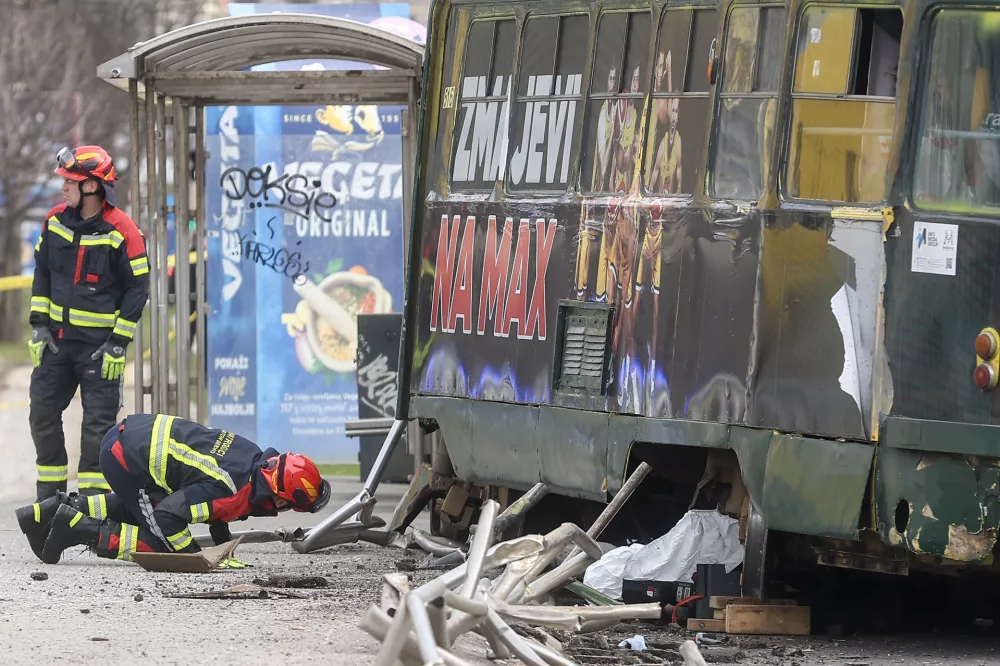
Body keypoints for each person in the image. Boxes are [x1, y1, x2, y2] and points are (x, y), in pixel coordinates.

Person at [15, 413, 331, 565]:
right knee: (160, 541)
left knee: (138, 509)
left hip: (130, 438)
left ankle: (45, 511)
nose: (283, 511)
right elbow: (171, 515)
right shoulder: (236, 492)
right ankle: (75, 528)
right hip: (127, 458)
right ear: (278, 495)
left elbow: (214, 503)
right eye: (289, 505)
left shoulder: (252, 458)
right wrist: (196, 557)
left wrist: (223, 546)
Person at [28, 145, 149, 501]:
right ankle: (49, 499)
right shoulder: (54, 221)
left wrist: (118, 342)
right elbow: (41, 274)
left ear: (93, 187)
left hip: (99, 351)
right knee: (42, 414)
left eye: (71, 181)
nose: (63, 186)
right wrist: (39, 324)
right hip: (56, 344)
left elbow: (137, 289)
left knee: (97, 429)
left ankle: (90, 507)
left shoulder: (124, 230)